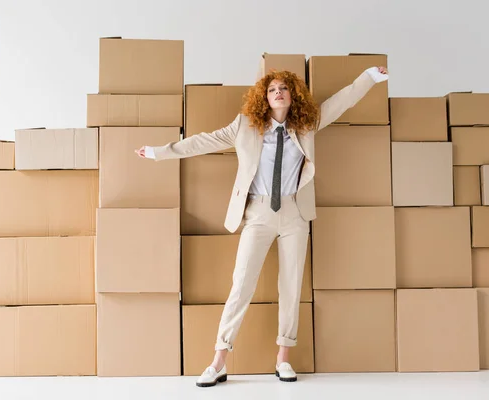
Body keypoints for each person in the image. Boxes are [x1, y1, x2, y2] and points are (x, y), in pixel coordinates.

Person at [135, 66, 389, 387]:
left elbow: (342, 101)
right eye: (271, 90)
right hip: (258, 213)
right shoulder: (245, 126)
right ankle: (219, 360)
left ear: (292, 94)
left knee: (291, 285)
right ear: (264, 98)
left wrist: (368, 76)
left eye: (283, 88)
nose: (277, 93)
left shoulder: (306, 124)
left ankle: (283, 358)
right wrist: (159, 152)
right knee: (241, 284)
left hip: (295, 213)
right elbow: (203, 142)